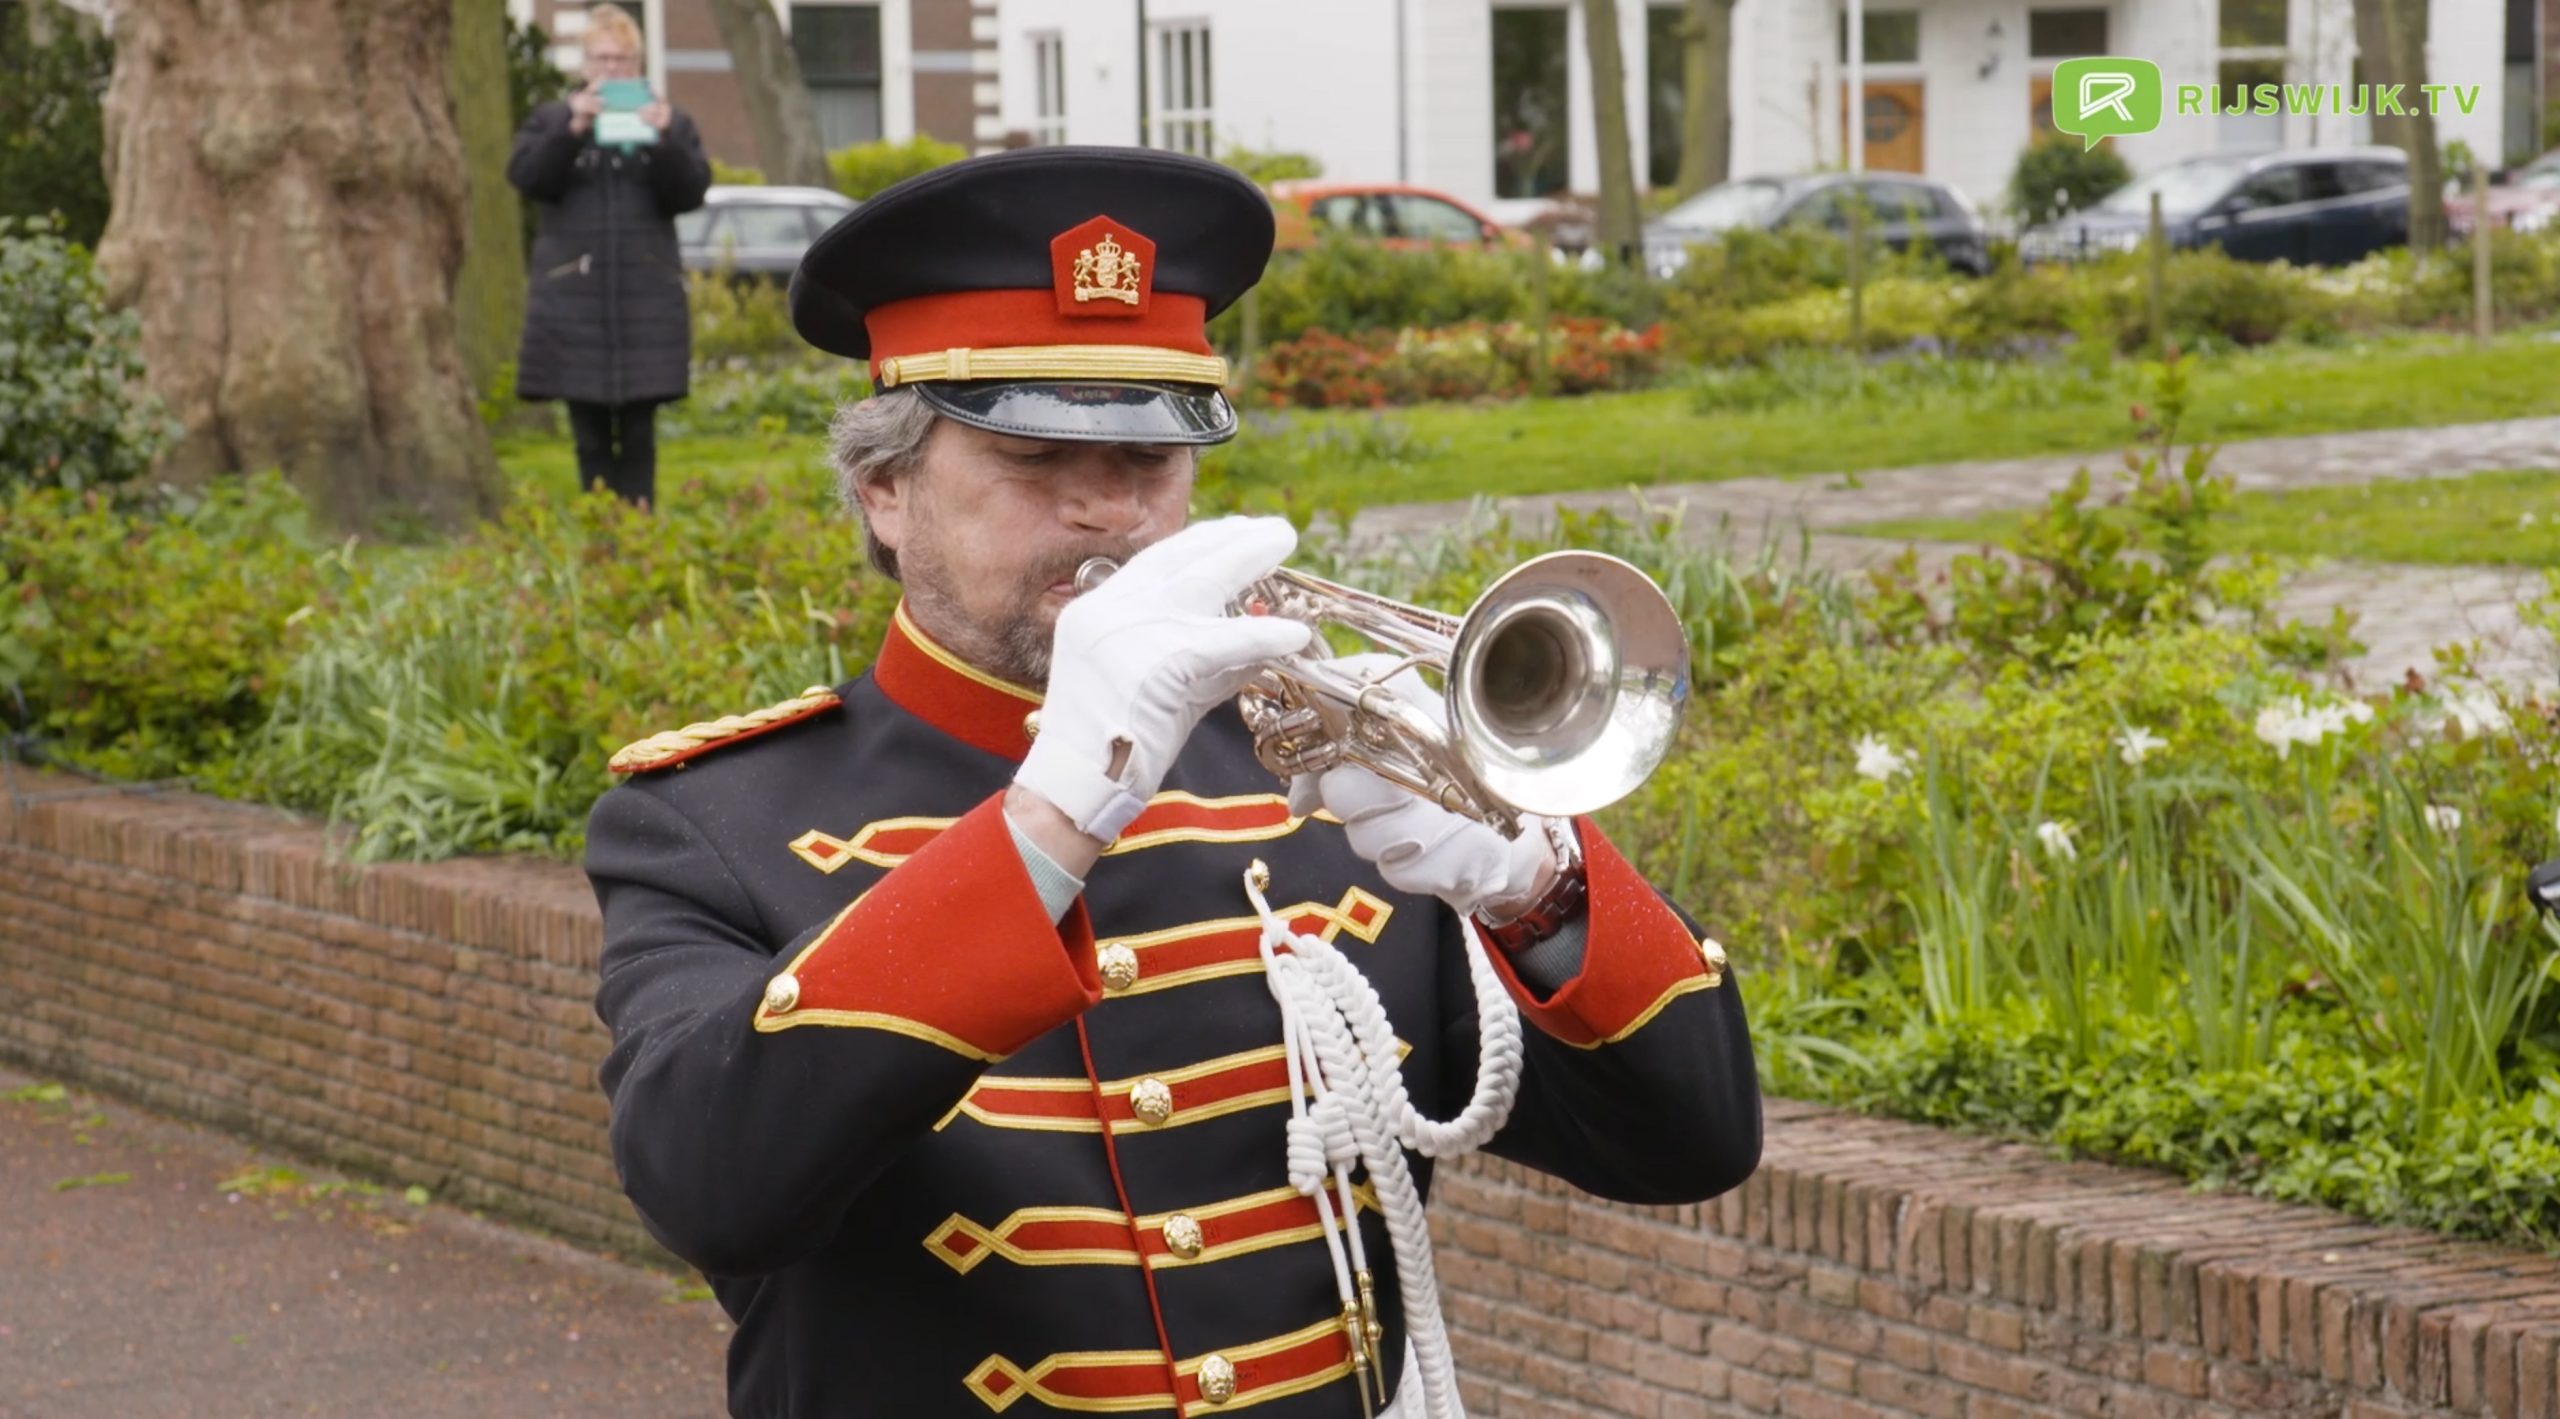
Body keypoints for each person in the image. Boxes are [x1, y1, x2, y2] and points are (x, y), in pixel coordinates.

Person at [582, 147, 1759, 1419]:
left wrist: (1533, 882)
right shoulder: (708, 819)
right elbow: (709, 1190)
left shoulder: (1329, 783)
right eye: (1034, 463)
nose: (1108, 516)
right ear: (884, 493)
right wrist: (1047, 822)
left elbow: (1688, 1147)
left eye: (1149, 466)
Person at [505, 3, 709, 510]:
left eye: (622, 60)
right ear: (584, 64)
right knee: (588, 436)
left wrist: (663, 140)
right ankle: (601, 531)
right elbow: (528, 179)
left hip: (646, 304)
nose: (611, 70)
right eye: (601, 59)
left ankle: (637, 535)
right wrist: (571, 129)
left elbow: (690, 192)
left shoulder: (669, 123)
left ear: (637, 65)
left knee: (641, 436)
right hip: (574, 305)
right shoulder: (552, 119)